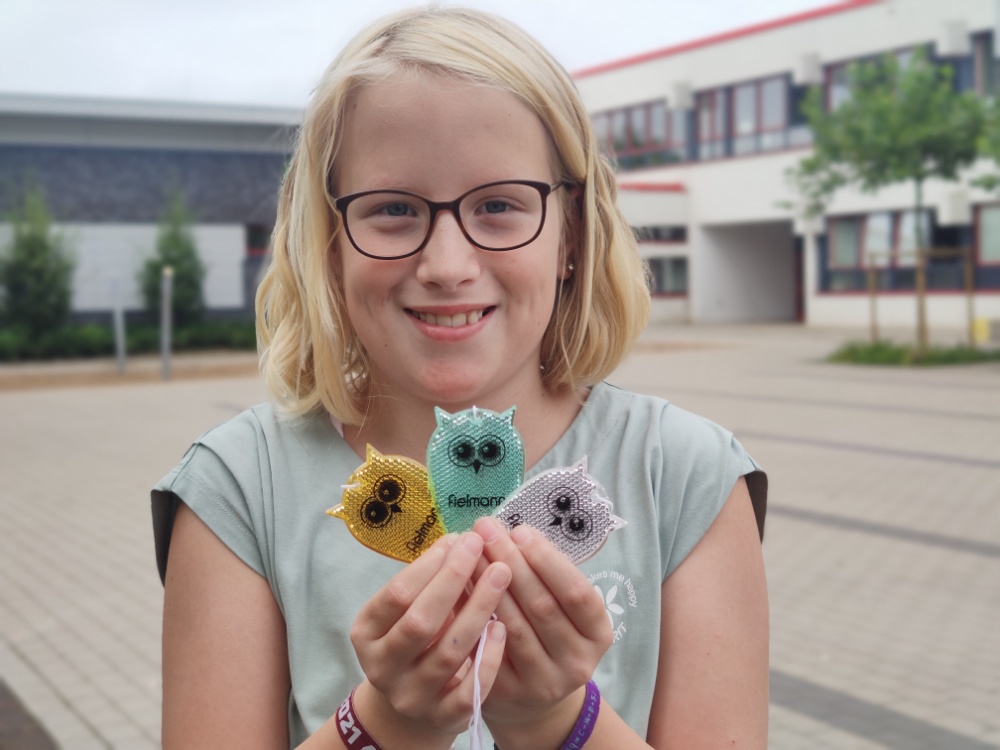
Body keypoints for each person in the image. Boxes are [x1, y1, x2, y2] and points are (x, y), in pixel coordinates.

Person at [151, 7, 769, 750]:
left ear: (570, 232)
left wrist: (557, 723)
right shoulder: (241, 488)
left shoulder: (684, 476)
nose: (446, 266)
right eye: (392, 210)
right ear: (330, 239)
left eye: (500, 206)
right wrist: (381, 726)